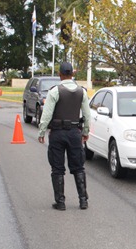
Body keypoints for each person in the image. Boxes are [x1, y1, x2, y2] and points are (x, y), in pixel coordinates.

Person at [38, 62, 91, 210]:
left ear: (60, 75)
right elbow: (87, 115)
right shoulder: (82, 92)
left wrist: (41, 131)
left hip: (57, 133)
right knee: (78, 166)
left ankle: (60, 202)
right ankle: (83, 200)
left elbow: (47, 114)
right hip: (75, 133)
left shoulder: (55, 91)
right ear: (72, 74)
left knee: (57, 167)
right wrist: (85, 132)